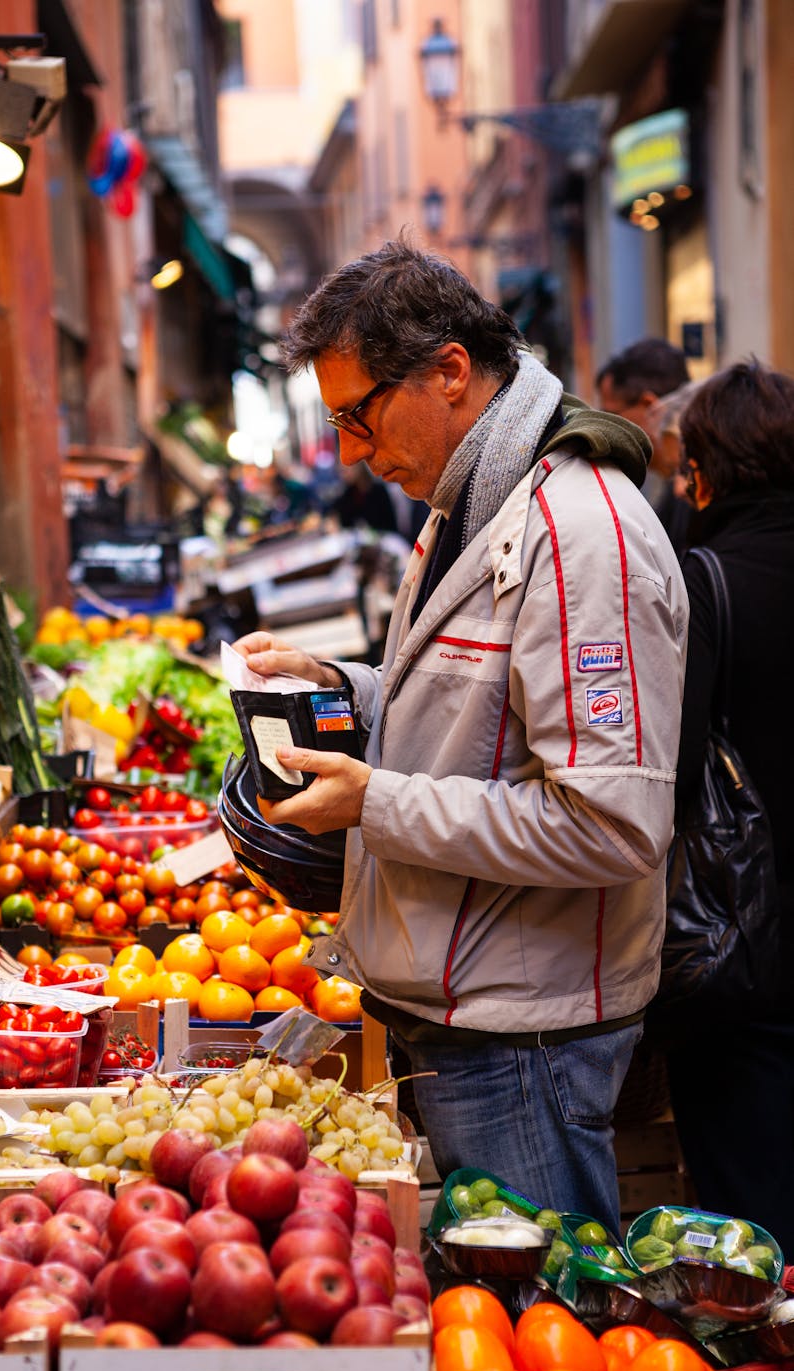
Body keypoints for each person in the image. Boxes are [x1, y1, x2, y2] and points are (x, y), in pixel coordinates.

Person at [232, 238, 688, 1231]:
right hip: (467, 1021)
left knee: (543, 1346)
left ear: (450, 369)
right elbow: (480, 705)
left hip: (524, 1041)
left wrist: (375, 801)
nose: (354, 448)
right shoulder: (469, 507)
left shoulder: (578, 532)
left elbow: (613, 824)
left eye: (362, 411)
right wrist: (343, 687)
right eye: (338, 419)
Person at [662, 359, 794, 1256]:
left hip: (748, 948)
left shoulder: (702, 584)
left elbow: (662, 777)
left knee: (757, 1225)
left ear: (706, 472)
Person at [596, 338, 692, 552]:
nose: (607, 430)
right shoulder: (688, 486)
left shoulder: (692, 493)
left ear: (650, 406)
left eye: (612, 416)